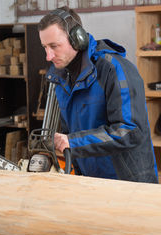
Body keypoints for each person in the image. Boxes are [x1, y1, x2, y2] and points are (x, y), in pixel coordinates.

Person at [38, 6, 158, 183]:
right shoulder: (61, 77)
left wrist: (73, 142)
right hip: (91, 182)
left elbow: (130, 131)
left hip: (128, 184)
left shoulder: (114, 70)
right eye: (45, 47)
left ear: (77, 39)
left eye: (54, 46)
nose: (48, 56)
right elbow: (71, 132)